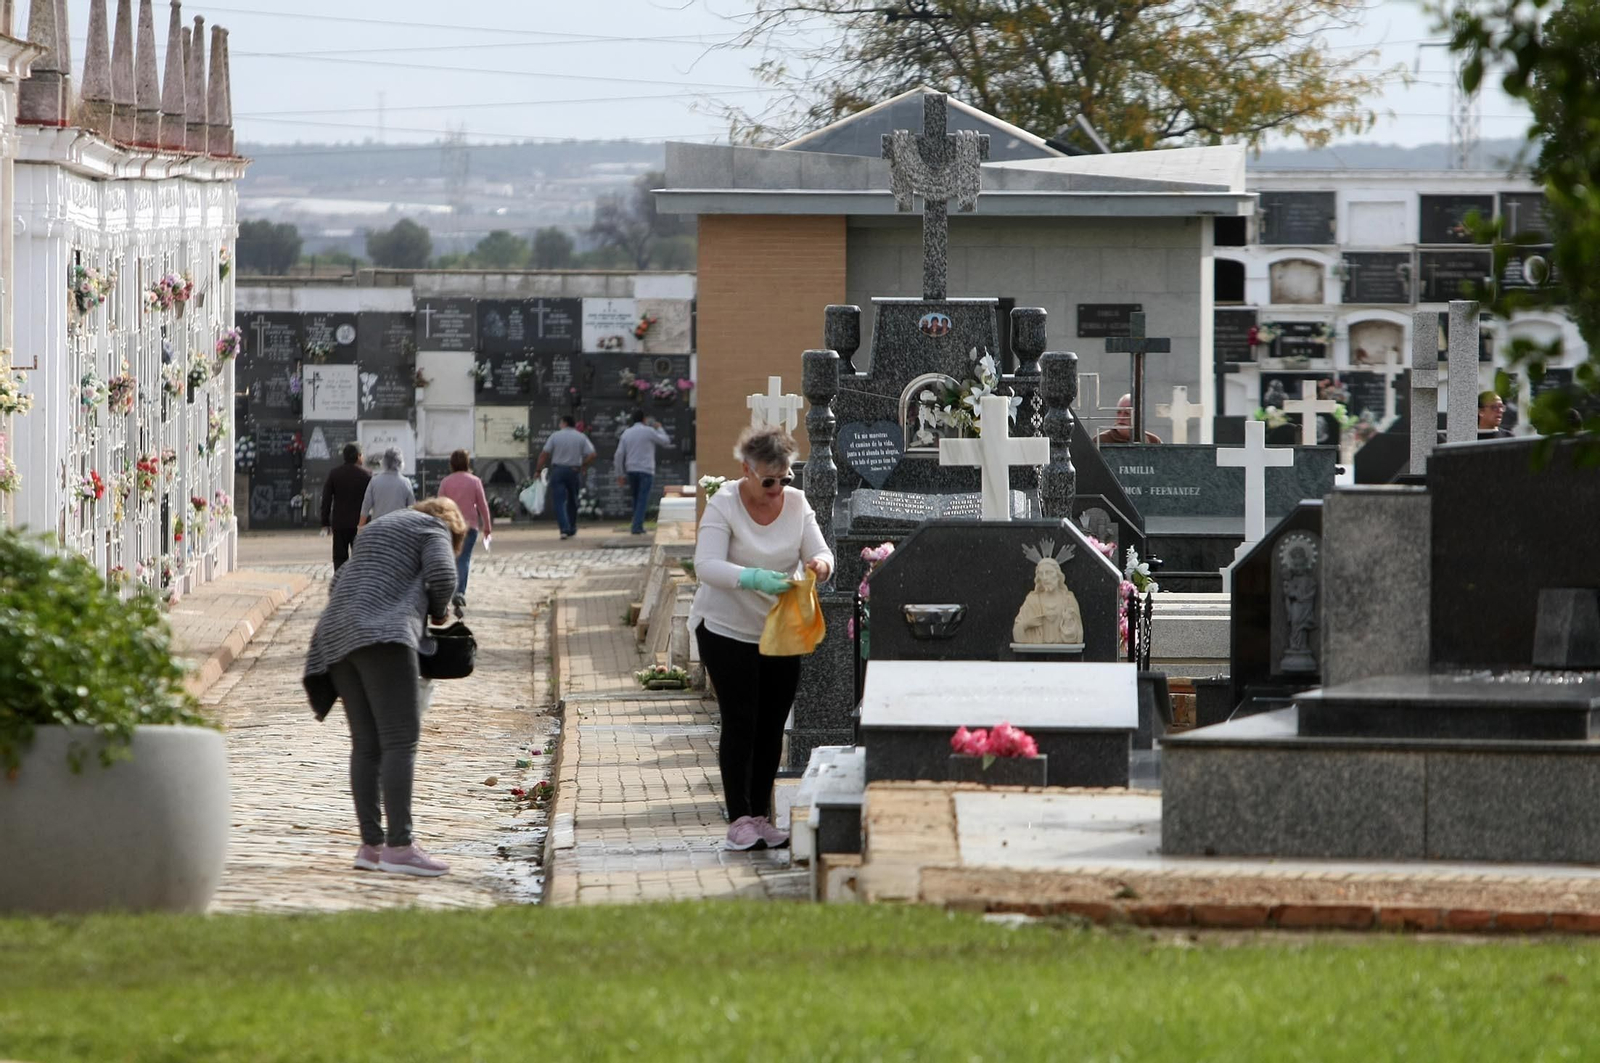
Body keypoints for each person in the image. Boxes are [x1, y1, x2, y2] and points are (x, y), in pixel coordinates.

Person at [302, 497, 466, 878]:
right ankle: (400, 847)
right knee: (400, 740)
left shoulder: (378, 527)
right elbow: (442, 575)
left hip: (335, 637)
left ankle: (371, 846)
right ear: (452, 527)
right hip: (385, 635)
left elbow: (340, 578)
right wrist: (439, 610)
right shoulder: (434, 528)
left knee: (367, 744)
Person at [691, 425, 834, 852]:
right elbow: (706, 565)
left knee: (772, 725)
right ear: (746, 471)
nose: (776, 490)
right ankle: (738, 818)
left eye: (784, 480)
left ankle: (761, 817)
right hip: (726, 628)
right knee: (741, 720)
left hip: (780, 629)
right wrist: (752, 577)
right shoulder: (725, 503)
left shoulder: (796, 503)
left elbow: (823, 552)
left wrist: (820, 566)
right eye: (768, 481)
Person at [437, 449, 492, 598]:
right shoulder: (475, 481)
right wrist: (487, 526)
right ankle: (460, 591)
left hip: (451, 526)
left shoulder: (446, 482)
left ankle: (450, 589)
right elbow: (482, 505)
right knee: (464, 558)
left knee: (451, 558)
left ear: (452, 464)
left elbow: (440, 506)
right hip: (470, 526)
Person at [535, 415, 595, 540]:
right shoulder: (581, 437)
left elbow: (544, 454)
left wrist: (538, 470)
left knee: (559, 501)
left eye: (561, 423)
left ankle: (564, 529)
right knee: (573, 500)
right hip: (574, 470)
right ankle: (572, 528)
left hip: (558, 470)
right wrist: (583, 465)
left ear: (564, 423)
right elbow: (592, 454)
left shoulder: (555, 436)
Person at [615, 410, 673, 536]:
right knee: (642, 499)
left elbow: (619, 454)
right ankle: (636, 527)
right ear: (644, 419)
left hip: (631, 469)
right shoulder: (649, 431)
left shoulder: (626, 433)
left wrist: (619, 473)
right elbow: (665, 441)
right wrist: (660, 428)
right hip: (646, 469)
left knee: (636, 499)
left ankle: (637, 524)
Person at [319, 442, 371, 570]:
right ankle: (357, 584)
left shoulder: (334, 474)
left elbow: (326, 499)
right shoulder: (366, 475)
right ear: (358, 456)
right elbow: (370, 500)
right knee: (360, 557)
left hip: (340, 523)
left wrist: (325, 522)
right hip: (360, 524)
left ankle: (340, 583)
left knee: (339, 558)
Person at [1011, 558, 1083, 646]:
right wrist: (1027, 624)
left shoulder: (1068, 599)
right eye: (1041, 574)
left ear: (1058, 575)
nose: (1045, 578)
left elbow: (1077, 636)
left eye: (1049, 572)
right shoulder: (1032, 600)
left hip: (1064, 655)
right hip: (1034, 655)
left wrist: (1068, 622)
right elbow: (1017, 631)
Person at [359, 447, 415, 526]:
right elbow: (412, 508)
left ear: (384, 461)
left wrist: (360, 527)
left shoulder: (374, 481)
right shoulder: (406, 482)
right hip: (399, 527)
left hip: (378, 527)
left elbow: (366, 507)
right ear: (401, 462)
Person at [1097, 393, 1163, 444]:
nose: (1121, 417)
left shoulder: (1153, 441)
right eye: (1119, 412)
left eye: (1127, 413)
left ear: (1138, 416)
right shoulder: (1100, 441)